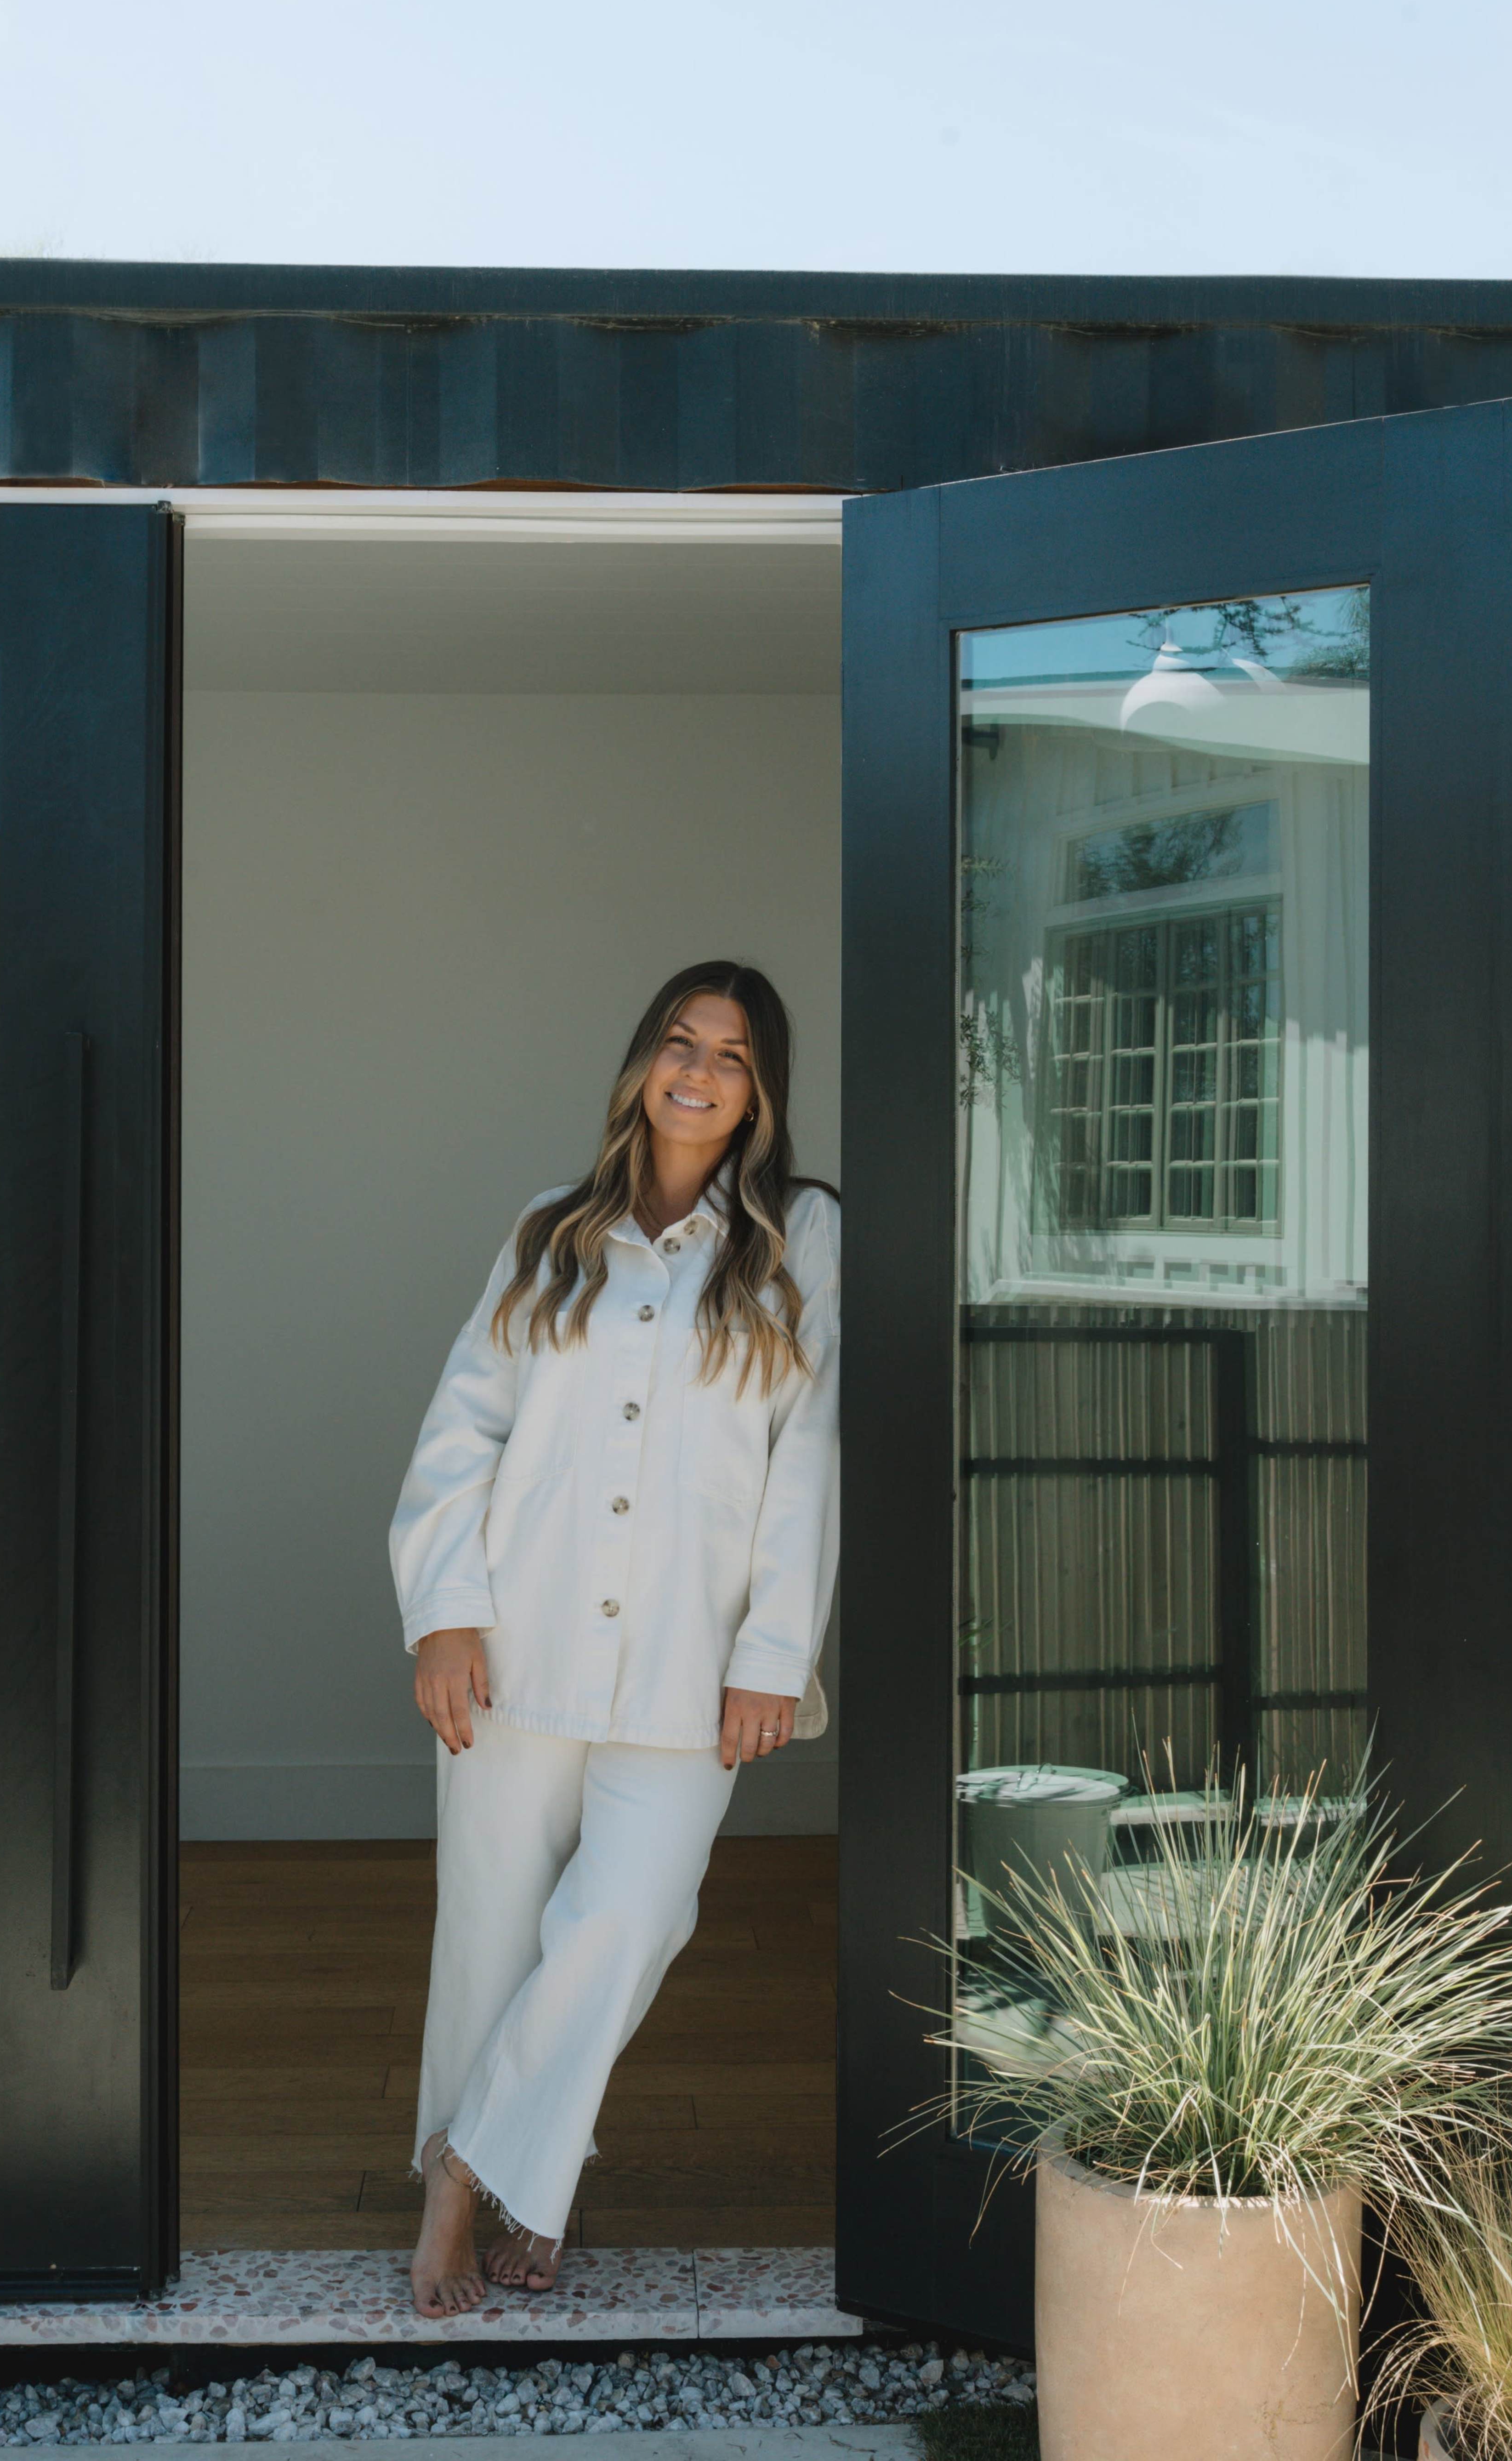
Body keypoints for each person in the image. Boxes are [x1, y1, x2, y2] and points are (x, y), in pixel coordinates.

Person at [390, 961, 840, 2318]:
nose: (700, 1070)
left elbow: (807, 1452)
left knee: (627, 1918)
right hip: (515, 1644)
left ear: (764, 1092)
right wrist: (445, 1613)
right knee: (491, 1927)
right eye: (680, 1040)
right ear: (643, 1058)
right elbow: (461, 1427)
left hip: (692, 1667)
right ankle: (521, 2184)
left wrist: (775, 1651)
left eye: (736, 1054)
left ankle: (469, 2170)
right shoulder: (550, 1229)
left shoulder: (799, 1236)